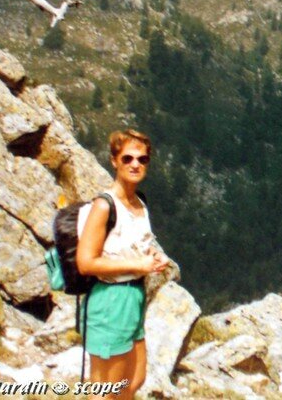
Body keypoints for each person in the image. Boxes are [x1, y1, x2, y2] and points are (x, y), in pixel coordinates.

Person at [76, 130, 170, 399]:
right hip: (110, 301)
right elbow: (86, 262)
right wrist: (137, 265)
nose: (135, 164)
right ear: (114, 161)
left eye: (142, 159)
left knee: (134, 380)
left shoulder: (139, 203)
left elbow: (137, 243)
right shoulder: (104, 206)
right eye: (127, 158)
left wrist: (153, 256)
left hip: (134, 298)